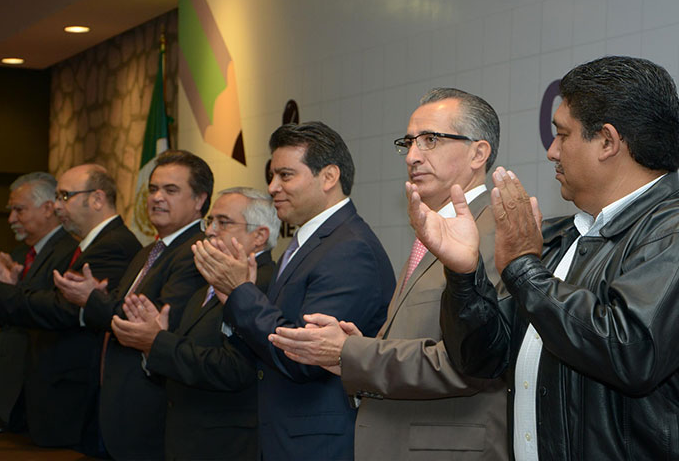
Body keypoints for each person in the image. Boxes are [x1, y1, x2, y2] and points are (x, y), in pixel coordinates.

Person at [409, 56, 679, 459]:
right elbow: (482, 358)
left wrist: (523, 268)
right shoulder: (562, 236)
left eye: (562, 135)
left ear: (607, 142)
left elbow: (630, 351)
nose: (551, 152)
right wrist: (463, 275)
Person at [269, 88, 508, 460]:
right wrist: (359, 348)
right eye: (409, 143)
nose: (413, 156)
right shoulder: (435, 229)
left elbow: (469, 364)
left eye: (431, 140)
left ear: (479, 153)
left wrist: (354, 353)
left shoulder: (494, 233)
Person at [192, 121, 396, 460]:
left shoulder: (349, 248)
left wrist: (241, 292)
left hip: (317, 444)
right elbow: (269, 343)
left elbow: (306, 356)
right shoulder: (310, 242)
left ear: (328, 177)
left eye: (285, 175)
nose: (272, 187)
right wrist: (234, 302)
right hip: (284, 435)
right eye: (272, 176)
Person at [54, 150, 212, 460]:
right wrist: (99, 297)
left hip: (151, 409)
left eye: (170, 190)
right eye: (153, 189)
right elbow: (122, 306)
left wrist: (92, 299)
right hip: (118, 404)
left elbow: (154, 322)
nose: (157, 198)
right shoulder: (149, 251)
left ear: (199, 200)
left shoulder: (195, 252)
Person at [110, 187, 280, 460]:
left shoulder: (264, 287)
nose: (210, 231)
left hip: (226, 444)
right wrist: (153, 342)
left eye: (223, 222)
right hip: (186, 438)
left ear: (259, 236)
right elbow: (186, 356)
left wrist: (157, 342)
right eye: (210, 221)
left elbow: (234, 369)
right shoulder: (206, 284)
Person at [0, 164, 141, 454]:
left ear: (97, 199)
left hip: (75, 402)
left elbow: (63, 310)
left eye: (65, 196)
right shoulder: (90, 244)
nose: (57, 206)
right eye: (57, 197)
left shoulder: (113, 244)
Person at [0, 172, 76, 434]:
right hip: (9, 384)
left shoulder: (69, 251)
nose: (11, 219)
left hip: (41, 391)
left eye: (19, 210)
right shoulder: (20, 254)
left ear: (48, 209)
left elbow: (53, 312)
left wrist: (6, 289)